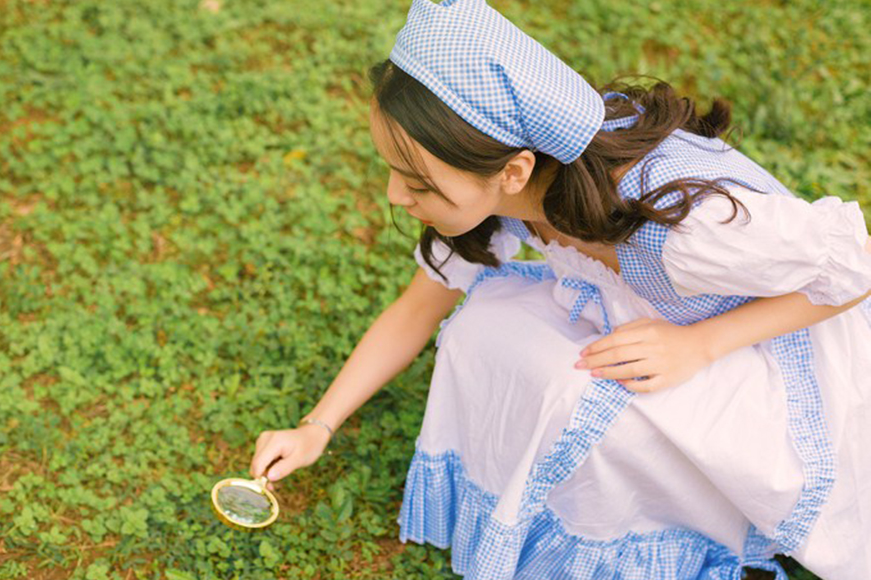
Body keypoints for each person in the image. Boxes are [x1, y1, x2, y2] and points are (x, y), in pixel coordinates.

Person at [249, 0, 871, 577]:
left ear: (513, 170)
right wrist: (317, 426)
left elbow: (852, 265)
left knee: (593, 402)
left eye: (419, 182)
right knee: (479, 331)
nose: (393, 195)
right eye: (392, 169)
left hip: (772, 347)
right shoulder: (517, 186)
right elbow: (419, 306)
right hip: (650, 313)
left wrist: (701, 345)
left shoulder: (684, 224)